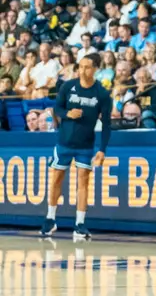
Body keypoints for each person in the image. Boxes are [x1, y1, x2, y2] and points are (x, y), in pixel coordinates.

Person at [42, 54, 112, 241]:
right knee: (56, 179)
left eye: (87, 67)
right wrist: (68, 114)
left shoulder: (102, 94)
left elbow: (106, 125)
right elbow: (56, 109)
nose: (83, 70)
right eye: (80, 67)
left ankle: (80, 224)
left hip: (86, 145)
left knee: (83, 182)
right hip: (64, 142)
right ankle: (50, 218)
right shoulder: (67, 86)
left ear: (95, 69)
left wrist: (102, 149)